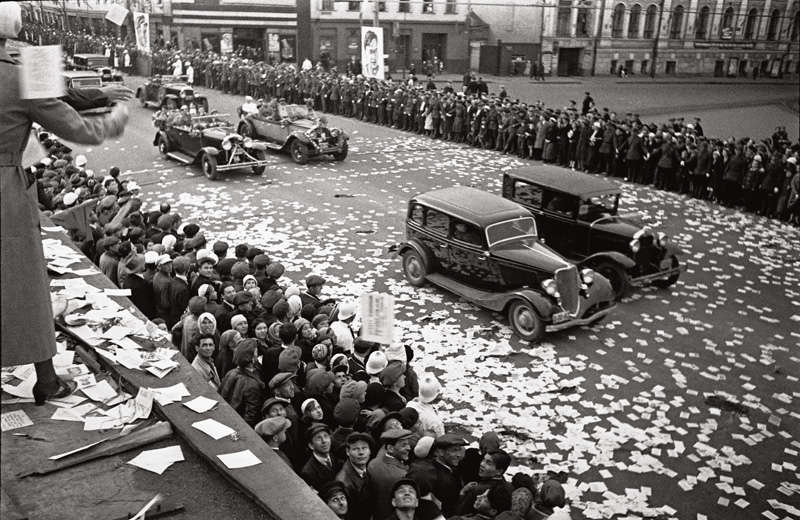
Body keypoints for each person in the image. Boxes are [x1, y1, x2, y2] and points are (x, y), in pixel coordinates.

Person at [1, 2, 129, 405]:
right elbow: (75, 127)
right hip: (4, 191)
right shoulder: (16, 77)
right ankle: (46, 379)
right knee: (24, 283)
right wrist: (114, 119)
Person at [336, 431, 373, 520]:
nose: (361, 453)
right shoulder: (343, 482)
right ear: (348, 452)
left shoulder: (366, 469)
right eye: (355, 449)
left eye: (364, 448)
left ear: (370, 451)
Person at [300, 422, 341, 491]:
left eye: (326, 436)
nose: (324, 441)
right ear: (311, 446)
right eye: (319, 438)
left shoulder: (335, 456)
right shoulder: (308, 472)